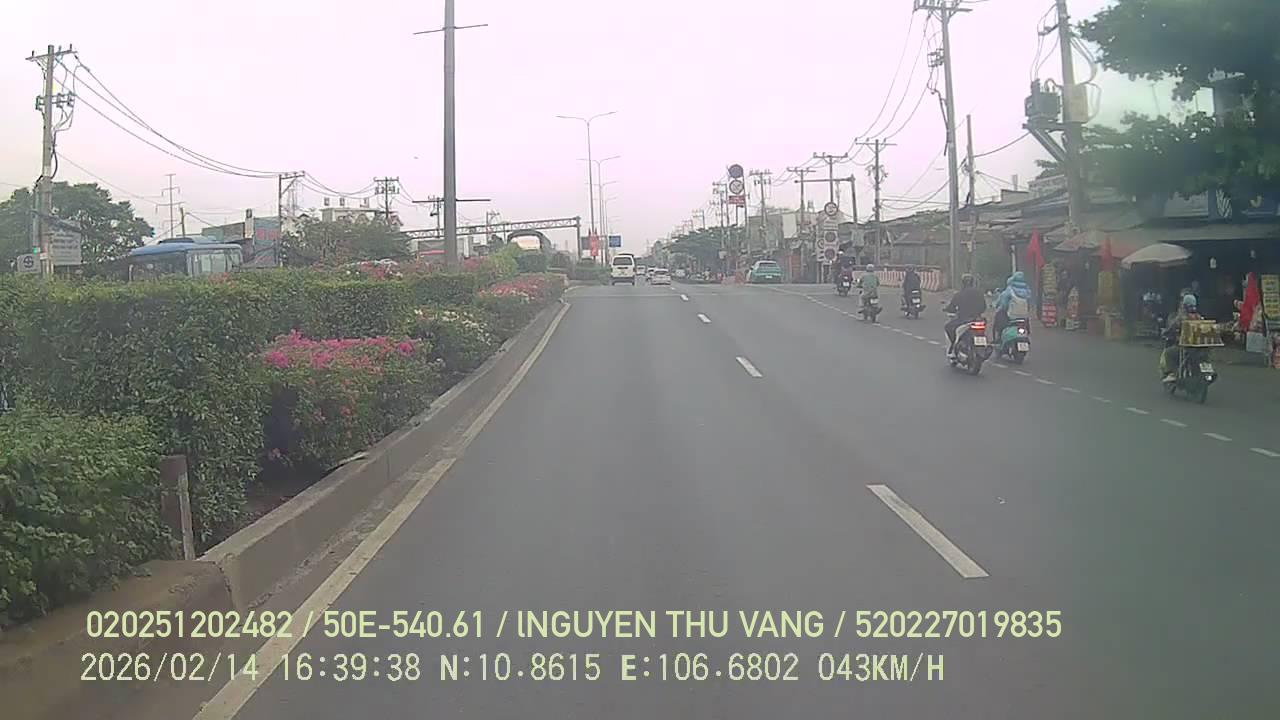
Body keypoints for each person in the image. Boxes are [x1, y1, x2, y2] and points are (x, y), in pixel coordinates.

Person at [944, 274, 987, 357]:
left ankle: (952, 348)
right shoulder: (979, 293)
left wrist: (947, 309)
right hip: (977, 319)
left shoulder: (959, 294)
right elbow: (984, 307)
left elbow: (951, 307)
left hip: (963, 320)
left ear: (963, 283)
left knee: (948, 327)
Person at [1160, 294, 1200, 383]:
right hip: (1198, 347)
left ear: (1184, 304)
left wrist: (1165, 332)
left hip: (1185, 347)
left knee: (1168, 353)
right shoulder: (1198, 316)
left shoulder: (1182, 317)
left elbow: (1172, 327)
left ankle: (1172, 374)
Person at [991, 271, 1032, 340]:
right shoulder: (1027, 291)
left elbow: (1003, 304)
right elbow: (1029, 305)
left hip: (1011, 316)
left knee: (1000, 315)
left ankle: (999, 337)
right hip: (1024, 317)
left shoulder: (1009, 290)